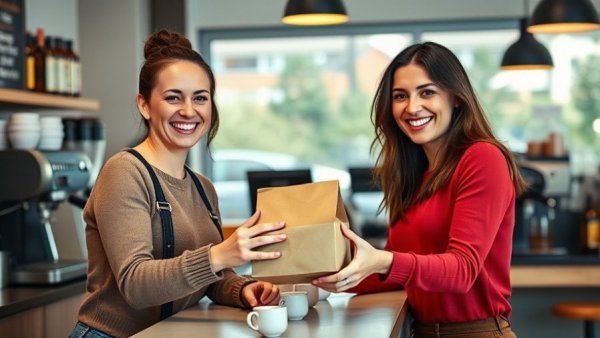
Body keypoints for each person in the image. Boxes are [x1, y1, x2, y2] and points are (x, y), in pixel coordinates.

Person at [69, 29, 286, 338]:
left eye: (200, 98)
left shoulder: (203, 187)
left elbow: (207, 277)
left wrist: (244, 289)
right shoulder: (125, 172)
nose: (188, 110)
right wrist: (220, 254)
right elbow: (135, 284)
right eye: (173, 98)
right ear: (144, 105)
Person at [313, 42, 526, 338]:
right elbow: (398, 273)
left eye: (427, 92)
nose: (412, 107)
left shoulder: (482, 158)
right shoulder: (412, 173)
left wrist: (383, 260)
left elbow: (462, 270)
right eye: (400, 96)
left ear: (455, 98)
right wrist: (320, 271)